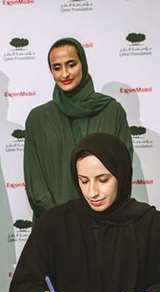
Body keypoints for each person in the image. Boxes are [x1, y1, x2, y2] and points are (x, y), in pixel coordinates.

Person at [9, 133, 160, 292]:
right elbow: (21, 289)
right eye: (83, 181)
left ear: (122, 175)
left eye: (103, 180)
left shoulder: (150, 223)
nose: (92, 192)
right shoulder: (55, 223)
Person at [24, 38, 133, 221]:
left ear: (83, 64)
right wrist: (59, 221)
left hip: (106, 222)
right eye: (57, 68)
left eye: (71, 64)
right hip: (55, 226)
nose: (65, 73)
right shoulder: (38, 118)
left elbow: (123, 168)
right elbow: (35, 181)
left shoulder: (111, 111)